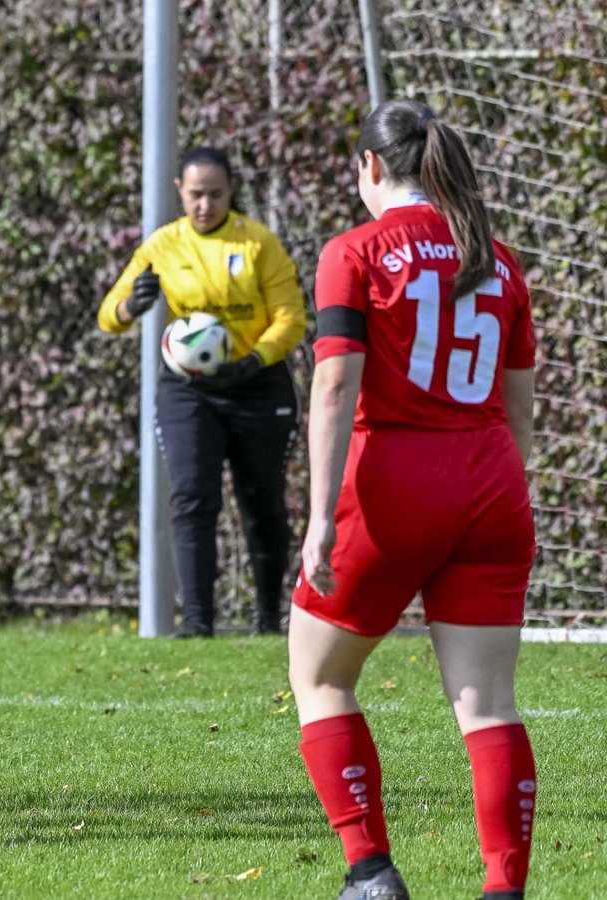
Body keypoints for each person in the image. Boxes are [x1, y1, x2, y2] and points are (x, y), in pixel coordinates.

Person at [289, 99, 536, 900]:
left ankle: (370, 871)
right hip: (493, 478)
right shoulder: (498, 259)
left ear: (369, 167)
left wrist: (321, 517)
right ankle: (504, 889)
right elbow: (517, 398)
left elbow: (334, 385)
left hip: (394, 478)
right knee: (488, 703)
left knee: (320, 676)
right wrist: (503, 496)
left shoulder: (353, 250)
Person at [98, 147, 307, 636]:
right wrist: (133, 303)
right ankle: (197, 625)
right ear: (179, 192)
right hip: (189, 390)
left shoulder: (258, 244)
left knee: (262, 499)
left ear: (231, 190)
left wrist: (253, 360)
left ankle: (267, 619)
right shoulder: (161, 246)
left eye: (215, 194)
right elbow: (108, 315)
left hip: (256, 383)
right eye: (195, 195)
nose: (205, 205)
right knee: (192, 496)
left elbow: (291, 319)